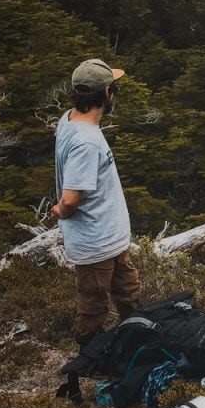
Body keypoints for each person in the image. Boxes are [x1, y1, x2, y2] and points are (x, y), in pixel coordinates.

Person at [52, 58, 140, 342]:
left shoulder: (69, 119)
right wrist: (60, 210)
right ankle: (88, 359)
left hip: (110, 237)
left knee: (129, 293)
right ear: (106, 94)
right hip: (95, 242)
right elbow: (71, 198)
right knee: (93, 307)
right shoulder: (86, 141)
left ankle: (136, 341)